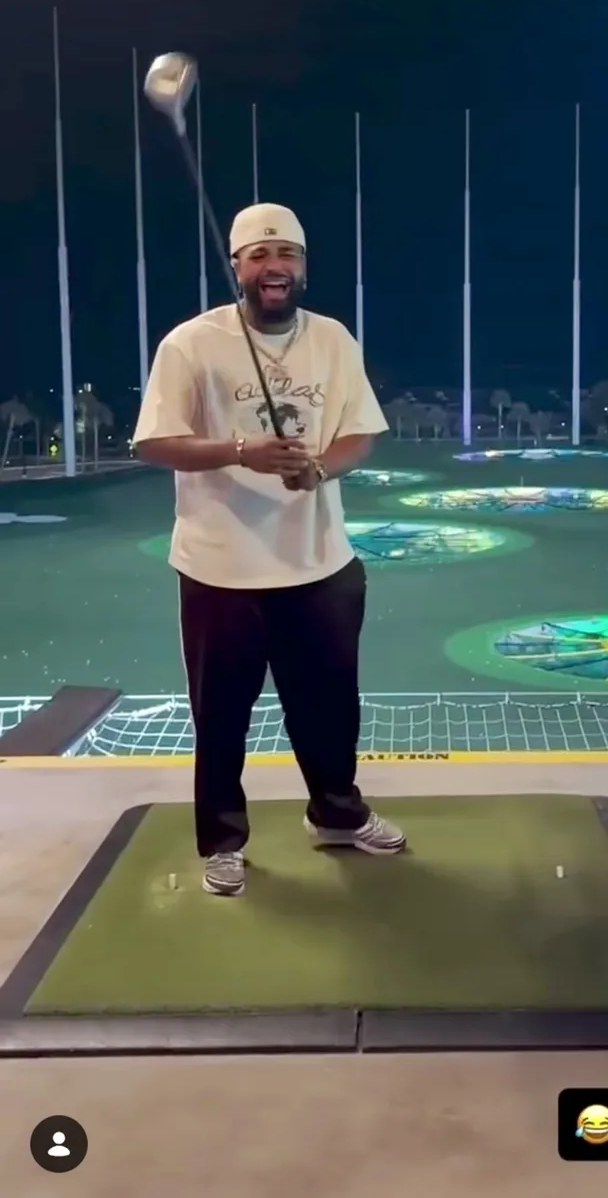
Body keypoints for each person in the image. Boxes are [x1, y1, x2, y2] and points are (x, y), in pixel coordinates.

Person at [133, 202, 406, 896]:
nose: (274, 266)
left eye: (286, 254)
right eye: (258, 255)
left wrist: (318, 470)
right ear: (238, 267)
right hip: (219, 569)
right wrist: (241, 450)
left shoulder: (333, 339)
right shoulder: (190, 343)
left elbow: (359, 433)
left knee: (330, 709)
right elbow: (154, 442)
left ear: (302, 267)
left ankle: (337, 815)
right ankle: (223, 842)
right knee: (221, 718)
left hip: (321, 563)